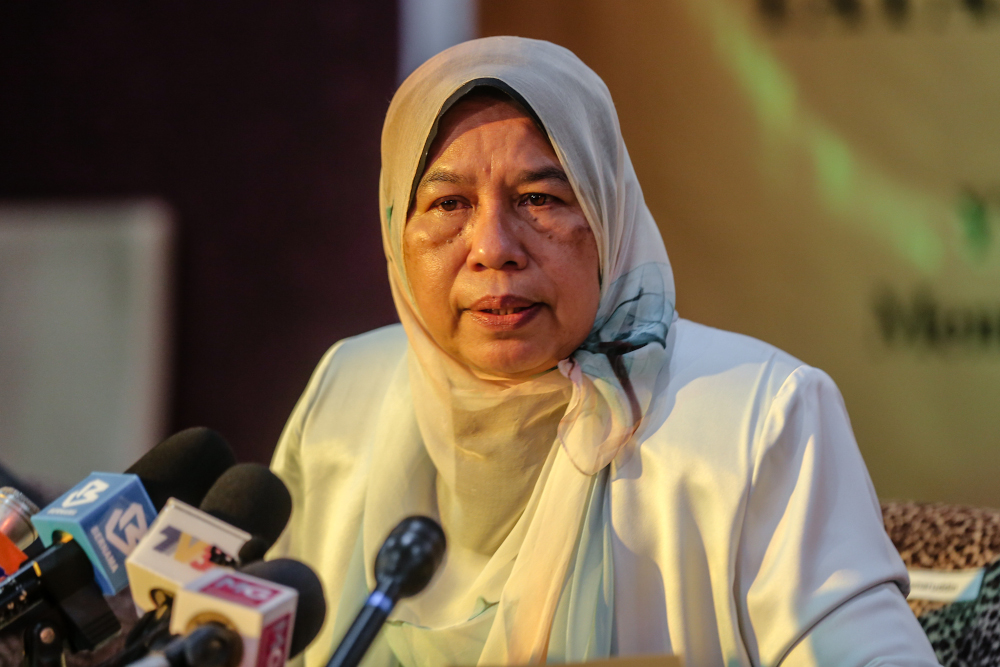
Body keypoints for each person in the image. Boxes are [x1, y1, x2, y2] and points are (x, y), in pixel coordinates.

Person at [268, 37, 940, 667]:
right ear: (395, 226)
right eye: (448, 204)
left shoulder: (760, 415)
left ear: (608, 210)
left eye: (539, 198)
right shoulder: (346, 394)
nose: (493, 247)